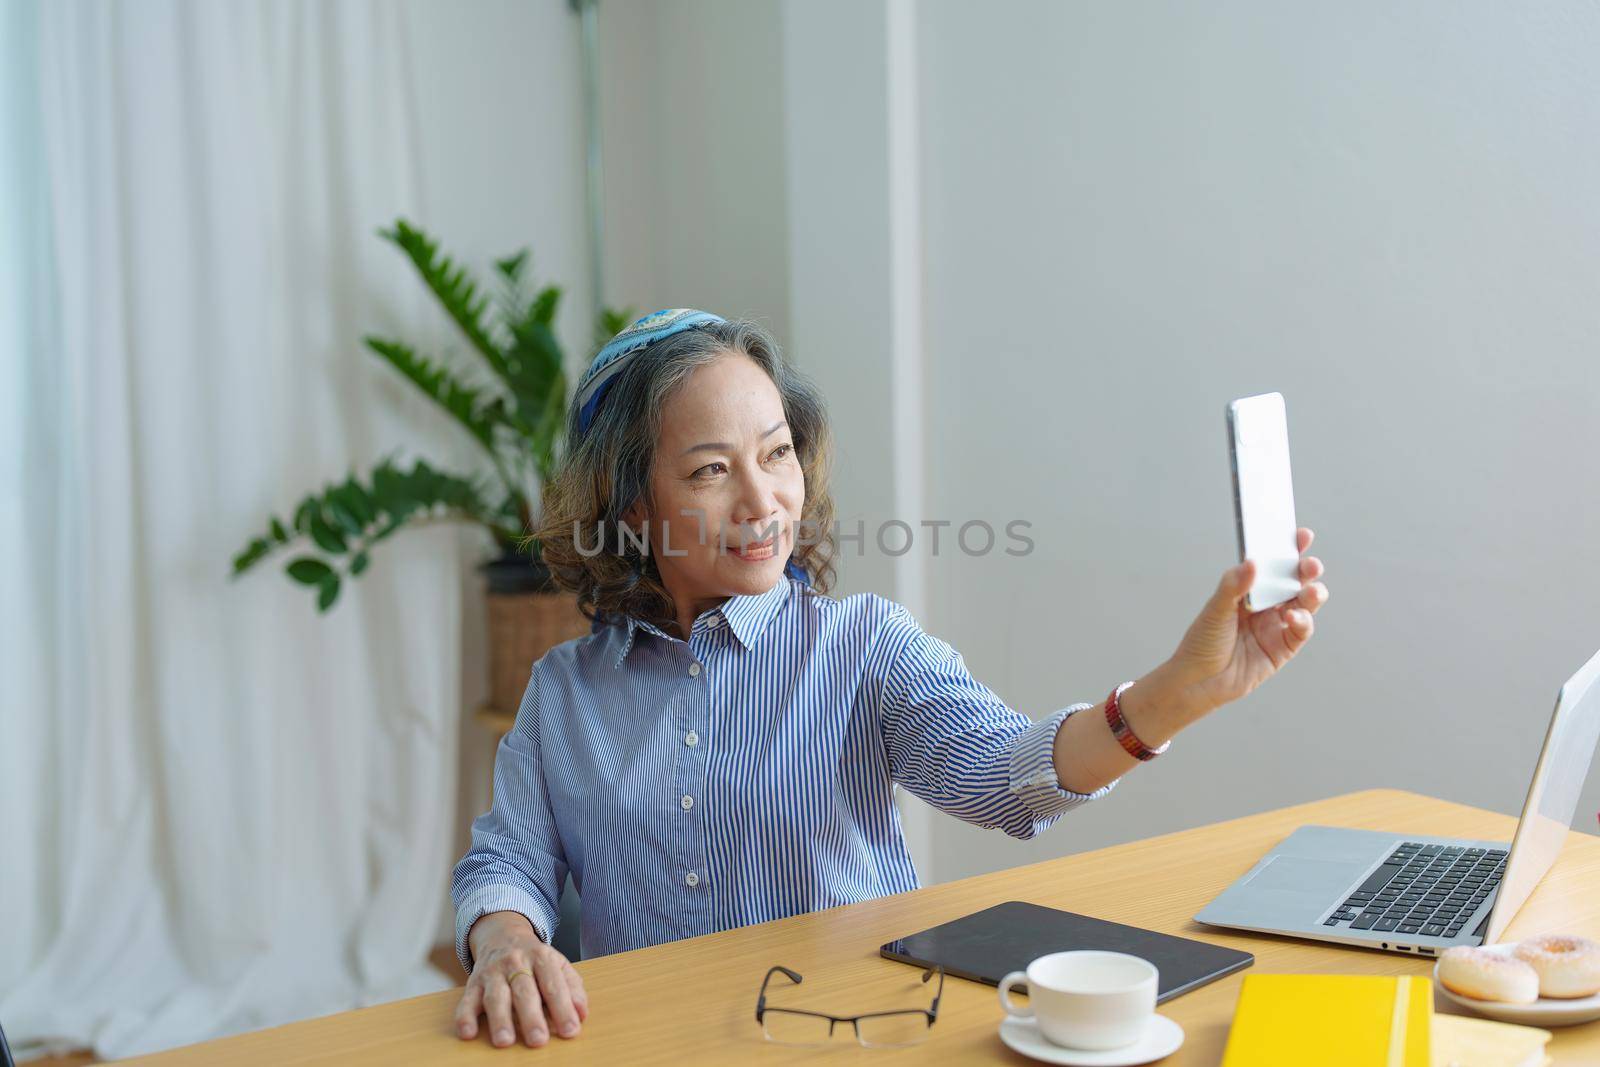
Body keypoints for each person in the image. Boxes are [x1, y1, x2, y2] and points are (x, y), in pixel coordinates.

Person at [450, 310, 1329, 1049]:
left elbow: (1008, 775)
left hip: (851, 1039)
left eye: (778, 452)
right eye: (711, 470)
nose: (763, 503)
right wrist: (502, 943)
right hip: (645, 1049)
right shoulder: (562, 692)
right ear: (633, 505)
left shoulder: (861, 646)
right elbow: (507, 864)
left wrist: (1185, 687)